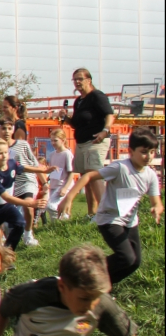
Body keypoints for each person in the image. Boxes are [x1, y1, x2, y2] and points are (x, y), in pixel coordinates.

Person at [0, 245, 142, 336]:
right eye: (84, 298)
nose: (91, 306)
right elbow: (2, 311)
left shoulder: (101, 304)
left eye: (96, 298)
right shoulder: (32, 295)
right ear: (62, 286)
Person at [59, 128, 162, 284]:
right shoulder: (121, 168)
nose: (148, 156)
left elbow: (156, 201)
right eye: (144, 152)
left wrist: (157, 208)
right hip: (109, 219)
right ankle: (85, 274)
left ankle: (102, 287)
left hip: (130, 222)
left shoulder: (151, 175)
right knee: (126, 257)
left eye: (152, 152)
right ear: (130, 151)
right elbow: (89, 176)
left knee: (135, 262)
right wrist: (69, 197)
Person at [58, 68, 115, 217]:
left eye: (80, 79)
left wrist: (105, 131)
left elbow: (109, 114)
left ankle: (106, 213)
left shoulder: (97, 96)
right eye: (75, 79)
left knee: (93, 174)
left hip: (95, 141)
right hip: (82, 142)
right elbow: (76, 124)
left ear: (89, 80)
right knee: (86, 178)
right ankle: (92, 213)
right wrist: (66, 118)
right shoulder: (78, 101)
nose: (77, 82)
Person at [0, 138, 50, 250]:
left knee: (20, 224)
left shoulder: (11, 163)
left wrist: (43, 171)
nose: (4, 156)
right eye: (0, 153)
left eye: (6, 152)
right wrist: (30, 203)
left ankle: (7, 252)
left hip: (6, 207)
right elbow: (6, 197)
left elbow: (23, 168)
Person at [46, 129, 77, 219]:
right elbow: (53, 170)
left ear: (63, 140)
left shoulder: (67, 154)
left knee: (50, 206)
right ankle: (58, 223)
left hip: (62, 185)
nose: (53, 143)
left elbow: (71, 172)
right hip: (53, 185)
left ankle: (62, 220)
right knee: (52, 208)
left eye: (55, 140)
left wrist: (65, 188)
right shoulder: (52, 154)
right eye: (51, 140)